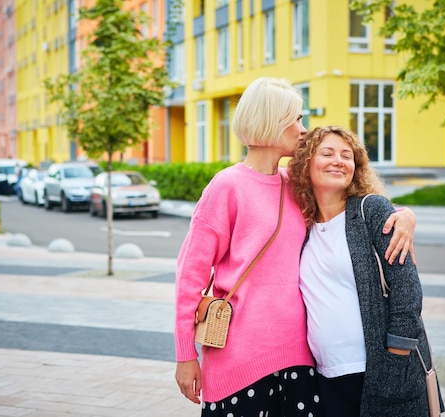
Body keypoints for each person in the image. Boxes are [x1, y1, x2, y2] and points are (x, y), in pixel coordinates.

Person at [174, 78, 417, 416]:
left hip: (301, 363)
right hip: (238, 362)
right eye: (297, 118)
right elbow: (190, 277)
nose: (304, 128)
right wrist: (186, 355)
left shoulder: (296, 184)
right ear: (272, 120)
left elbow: (352, 203)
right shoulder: (227, 187)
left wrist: (405, 216)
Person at [288, 126, 444, 417]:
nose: (338, 160)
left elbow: (407, 292)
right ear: (305, 164)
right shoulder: (302, 225)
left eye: (347, 156)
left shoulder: (370, 210)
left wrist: (393, 364)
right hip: (327, 375)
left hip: (379, 371)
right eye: (327, 153)